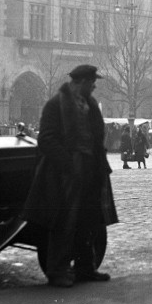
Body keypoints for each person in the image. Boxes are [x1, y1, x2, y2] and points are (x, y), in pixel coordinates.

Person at [23, 64, 118, 287]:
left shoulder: (90, 105)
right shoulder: (55, 104)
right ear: (81, 82)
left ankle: (86, 268)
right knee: (64, 222)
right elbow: (46, 139)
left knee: (90, 220)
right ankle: (57, 271)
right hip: (63, 174)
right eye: (92, 81)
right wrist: (68, 164)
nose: (94, 85)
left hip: (90, 171)